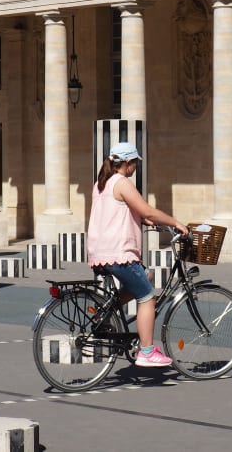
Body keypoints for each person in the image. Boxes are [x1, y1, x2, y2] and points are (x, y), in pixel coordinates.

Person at [87, 141, 188, 368]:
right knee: (147, 296)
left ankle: (105, 313)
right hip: (119, 251)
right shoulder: (122, 183)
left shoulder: (101, 184)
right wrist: (175, 222)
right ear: (128, 163)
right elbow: (146, 209)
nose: (135, 168)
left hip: (99, 251)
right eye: (135, 163)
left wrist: (148, 220)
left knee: (146, 277)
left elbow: (127, 212)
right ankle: (147, 351)